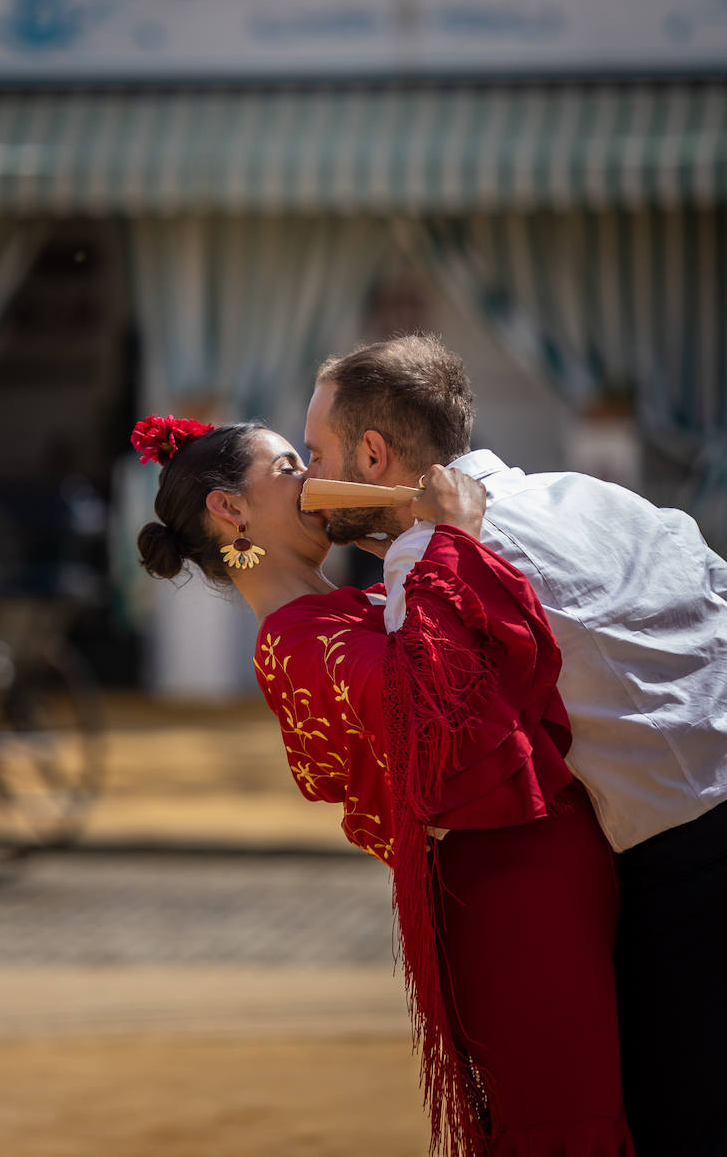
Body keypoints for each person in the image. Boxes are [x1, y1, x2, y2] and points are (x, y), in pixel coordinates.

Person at [303, 332, 727, 1157]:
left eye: (316, 453)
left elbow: (435, 747)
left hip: (700, 853)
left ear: (373, 454)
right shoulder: (591, 493)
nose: (311, 479)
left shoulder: (432, 557)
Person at [132, 414, 635, 1156]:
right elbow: (426, 707)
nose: (311, 477)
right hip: (506, 885)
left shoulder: (345, 610)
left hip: (527, 866)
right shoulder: (298, 641)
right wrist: (449, 541)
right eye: (289, 466)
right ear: (230, 511)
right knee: (563, 1117)